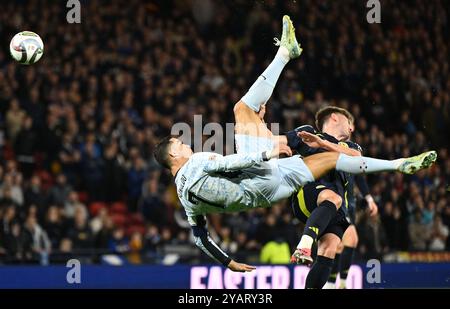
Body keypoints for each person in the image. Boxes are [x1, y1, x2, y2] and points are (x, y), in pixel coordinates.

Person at [153, 16, 437, 272]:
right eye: (180, 142)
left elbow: (201, 239)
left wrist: (228, 263)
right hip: (258, 175)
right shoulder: (196, 163)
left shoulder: (186, 203)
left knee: (330, 157)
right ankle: (286, 53)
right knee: (241, 108)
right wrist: (267, 150)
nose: (185, 144)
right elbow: (230, 163)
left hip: (265, 195)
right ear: (174, 152)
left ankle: (399, 164)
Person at [289, 106, 377, 288]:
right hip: (310, 193)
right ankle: (304, 244)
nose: (352, 128)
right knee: (333, 199)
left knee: (329, 249)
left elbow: (358, 159)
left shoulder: (351, 146)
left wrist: (322, 145)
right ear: (335, 118)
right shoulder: (310, 133)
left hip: (337, 207)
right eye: (349, 123)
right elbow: (283, 140)